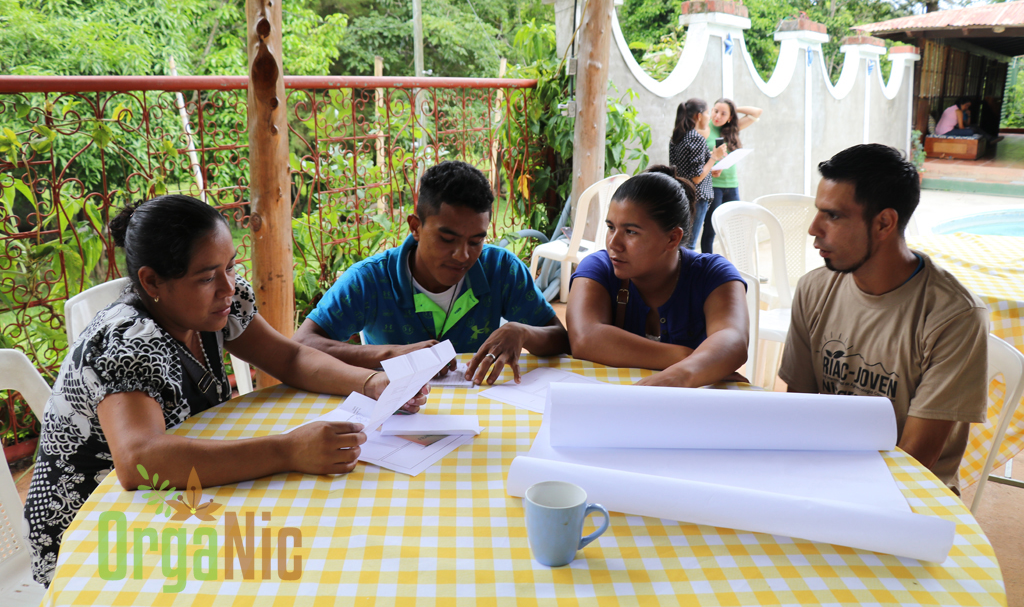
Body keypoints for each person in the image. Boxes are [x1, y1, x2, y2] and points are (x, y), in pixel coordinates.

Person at [23, 195, 429, 586]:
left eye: (231, 267)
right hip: (97, 530)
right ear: (151, 281)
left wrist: (370, 382)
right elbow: (138, 461)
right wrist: (288, 449)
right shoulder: (128, 340)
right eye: (206, 277)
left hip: (178, 495)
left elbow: (289, 359)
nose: (228, 287)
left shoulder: (218, 304)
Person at [780, 144, 988, 493]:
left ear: (884, 223)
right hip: (821, 478)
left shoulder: (955, 316)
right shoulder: (813, 289)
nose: (814, 228)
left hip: (908, 497)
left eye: (833, 215)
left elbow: (916, 459)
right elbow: (801, 412)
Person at [294, 160, 569, 385]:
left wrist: (521, 332)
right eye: (447, 239)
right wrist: (394, 354)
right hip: (397, 421)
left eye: (476, 241)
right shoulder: (370, 280)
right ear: (415, 227)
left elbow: (559, 337)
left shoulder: (501, 269)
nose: (463, 255)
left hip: (483, 418)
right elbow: (303, 344)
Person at [565, 166, 749, 387]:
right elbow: (585, 338)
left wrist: (679, 376)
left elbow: (733, 340)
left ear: (672, 238)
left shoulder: (712, 274)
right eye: (611, 227)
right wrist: (687, 357)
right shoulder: (599, 268)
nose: (614, 243)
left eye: (631, 232)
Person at [701, 98, 763, 254]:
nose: (717, 116)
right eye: (715, 111)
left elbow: (757, 112)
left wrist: (734, 109)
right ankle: (707, 269)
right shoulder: (704, 129)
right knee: (711, 228)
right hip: (713, 185)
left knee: (737, 227)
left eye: (723, 113)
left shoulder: (732, 129)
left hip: (732, 185)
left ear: (729, 117)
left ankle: (741, 265)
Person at [668, 98, 727, 250]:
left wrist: (711, 160)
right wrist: (714, 157)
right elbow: (696, 177)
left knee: (682, 242)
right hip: (697, 197)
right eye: (708, 113)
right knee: (690, 244)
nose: (709, 117)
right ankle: (687, 273)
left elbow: (685, 167)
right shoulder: (696, 138)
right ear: (699, 116)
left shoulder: (677, 137)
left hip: (681, 194)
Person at [934, 97, 1001, 143]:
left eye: (968, 106)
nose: (967, 107)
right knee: (971, 131)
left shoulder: (951, 108)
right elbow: (961, 127)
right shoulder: (958, 111)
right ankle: (990, 139)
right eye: (966, 105)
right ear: (961, 104)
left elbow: (966, 124)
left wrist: (969, 115)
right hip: (946, 132)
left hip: (940, 131)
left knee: (974, 127)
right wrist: (969, 129)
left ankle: (990, 139)